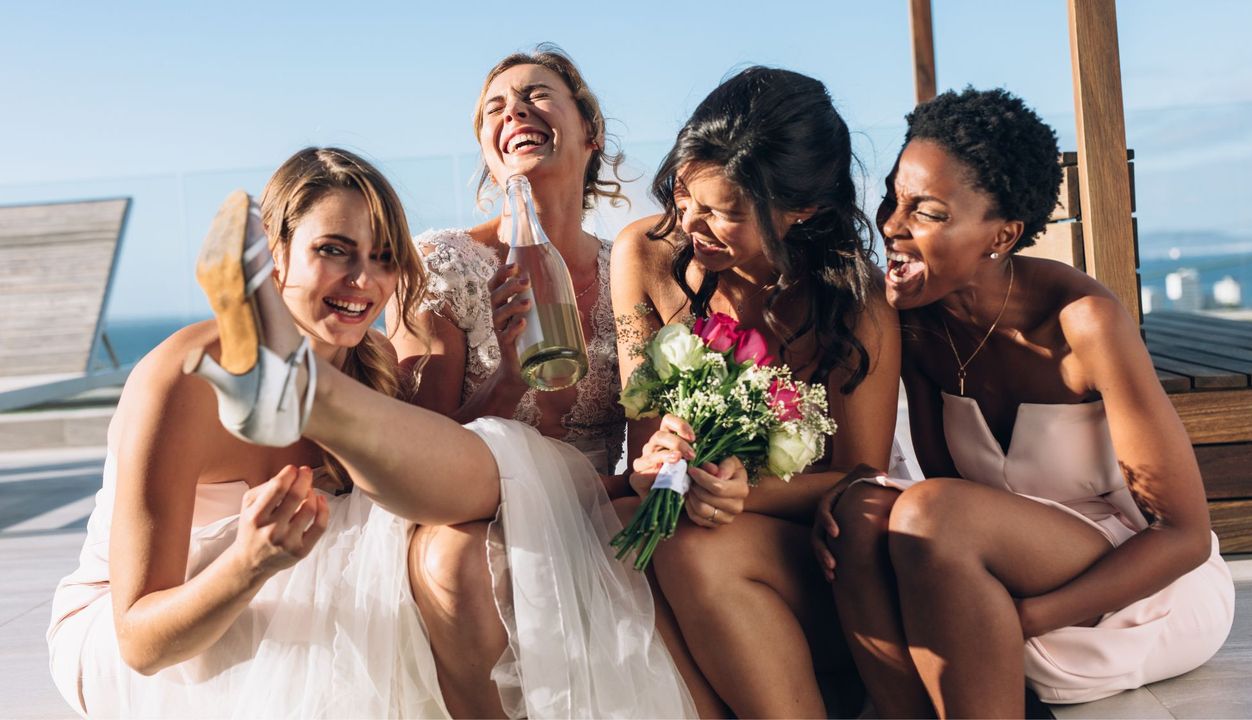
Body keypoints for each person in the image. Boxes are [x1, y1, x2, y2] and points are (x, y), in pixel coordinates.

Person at [48, 147, 693, 719]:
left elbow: (429, 485)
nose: (364, 283)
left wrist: (507, 384)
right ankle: (307, 394)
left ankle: (307, 394)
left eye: (384, 260)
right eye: (334, 250)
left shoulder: (370, 365)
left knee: (461, 544)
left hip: (295, 569)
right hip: (159, 630)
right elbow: (140, 642)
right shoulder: (181, 382)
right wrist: (248, 563)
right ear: (275, 253)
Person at [814, 87, 1234, 717]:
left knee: (927, 512)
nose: (893, 227)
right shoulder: (918, 324)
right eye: (893, 201)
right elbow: (952, 486)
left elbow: (1183, 536)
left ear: (1001, 235)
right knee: (863, 508)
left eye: (926, 212)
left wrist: (1025, 618)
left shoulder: (1084, 324)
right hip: (997, 570)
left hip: (1131, 586)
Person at [612, 66, 905, 718]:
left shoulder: (858, 306)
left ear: (802, 210)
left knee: (684, 547)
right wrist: (658, 461)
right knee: (612, 536)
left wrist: (746, 489)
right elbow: (642, 437)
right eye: (684, 193)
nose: (691, 220)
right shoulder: (644, 256)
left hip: (814, 560)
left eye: (724, 211)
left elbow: (860, 475)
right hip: (684, 521)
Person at [385, 45, 634, 715]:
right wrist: (505, 387)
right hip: (468, 510)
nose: (515, 109)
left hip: (598, 501)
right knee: (459, 562)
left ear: (591, 133)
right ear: (490, 151)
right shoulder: (444, 264)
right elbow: (415, 455)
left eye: (537, 94)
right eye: (496, 106)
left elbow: (651, 439)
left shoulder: (630, 272)